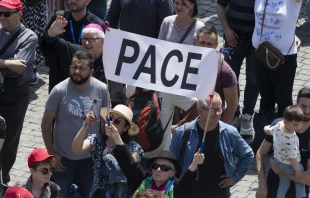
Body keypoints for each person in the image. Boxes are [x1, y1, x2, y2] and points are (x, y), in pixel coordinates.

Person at [41, 51, 109, 197]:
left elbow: (105, 124)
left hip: (89, 159)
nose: (76, 71)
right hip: (63, 160)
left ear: (91, 71)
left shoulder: (102, 89)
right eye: (74, 67)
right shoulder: (59, 90)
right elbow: (46, 125)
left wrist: (100, 153)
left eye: (82, 68)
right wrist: (52, 154)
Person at [170, 93, 254, 197]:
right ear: (200, 111)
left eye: (220, 109)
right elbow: (170, 163)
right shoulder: (182, 132)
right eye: (212, 110)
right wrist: (178, 185)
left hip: (218, 193)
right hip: (190, 193)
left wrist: (235, 177)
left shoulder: (229, 132)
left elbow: (247, 155)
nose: (218, 113)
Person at [104, 120, 205, 197]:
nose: (158, 170)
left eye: (165, 168)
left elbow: (187, 182)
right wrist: (116, 136)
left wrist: (195, 162)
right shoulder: (141, 181)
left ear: (172, 173)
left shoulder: (175, 190)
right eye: (155, 166)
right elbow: (129, 163)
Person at [41, 21, 123, 106]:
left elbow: (115, 97)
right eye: (84, 39)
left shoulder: (110, 63)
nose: (87, 43)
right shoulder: (74, 51)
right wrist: (51, 34)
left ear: (102, 42)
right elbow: (54, 46)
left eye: (91, 39)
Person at [0, 0, 38, 185]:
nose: (2, 17)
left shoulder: (29, 37)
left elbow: (20, 67)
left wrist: (7, 65)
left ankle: (4, 174)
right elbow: (12, 65)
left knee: (10, 137)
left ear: (19, 14)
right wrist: (7, 63)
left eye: (6, 14)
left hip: (15, 94)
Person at [72, 105, 144, 197]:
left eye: (117, 121)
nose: (112, 123)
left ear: (125, 128)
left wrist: (116, 137)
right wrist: (86, 124)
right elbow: (76, 149)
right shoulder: (98, 140)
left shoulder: (134, 147)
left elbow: (132, 169)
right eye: (110, 118)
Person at [252, 0, 302, 131]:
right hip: (260, 54)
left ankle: (285, 139)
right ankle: (263, 137)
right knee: (265, 98)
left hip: (284, 58)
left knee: (283, 100)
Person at [125, 85, 197, 169]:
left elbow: (126, 96)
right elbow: (197, 106)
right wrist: (179, 125)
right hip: (160, 157)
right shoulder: (170, 87)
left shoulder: (132, 81)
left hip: (133, 153)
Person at [256, 87, 310, 198]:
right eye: (303, 106)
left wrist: (279, 171)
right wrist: (262, 183)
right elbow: (260, 154)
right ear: (295, 104)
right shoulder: (280, 125)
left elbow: (308, 178)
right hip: (273, 189)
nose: (307, 111)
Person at [216, 0, 258, 136]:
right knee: (231, 78)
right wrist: (227, 29)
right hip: (232, 37)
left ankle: (247, 116)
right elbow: (220, 5)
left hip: (257, 40)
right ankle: (234, 113)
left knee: (254, 79)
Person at [194, 25, 238, 124]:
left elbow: (232, 104)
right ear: (195, 41)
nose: (205, 47)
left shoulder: (225, 71)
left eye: (209, 44)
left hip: (209, 124)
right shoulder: (184, 64)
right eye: (202, 43)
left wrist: (218, 127)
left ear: (216, 44)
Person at [264, 105, 305, 198]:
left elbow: (268, 130)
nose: (298, 127)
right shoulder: (290, 139)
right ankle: (301, 196)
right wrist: (298, 171)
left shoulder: (278, 125)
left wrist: (265, 127)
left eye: (300, 123)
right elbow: (292, 158)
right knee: (300, 181)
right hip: (290, 165)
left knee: (284, 183)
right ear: (286, 122)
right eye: (295, 125)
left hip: (279, 162)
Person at [106, 0, 173, 39]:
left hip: (150, 54)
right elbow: (111, 19)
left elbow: (167, 30)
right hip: (124, 51)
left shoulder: (164, 1)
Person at [21, 0, 48, 85]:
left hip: (38, 6)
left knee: (37, 36)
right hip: (22, 7)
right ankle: (25, 67)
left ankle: (32, 69)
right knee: (22, 36)